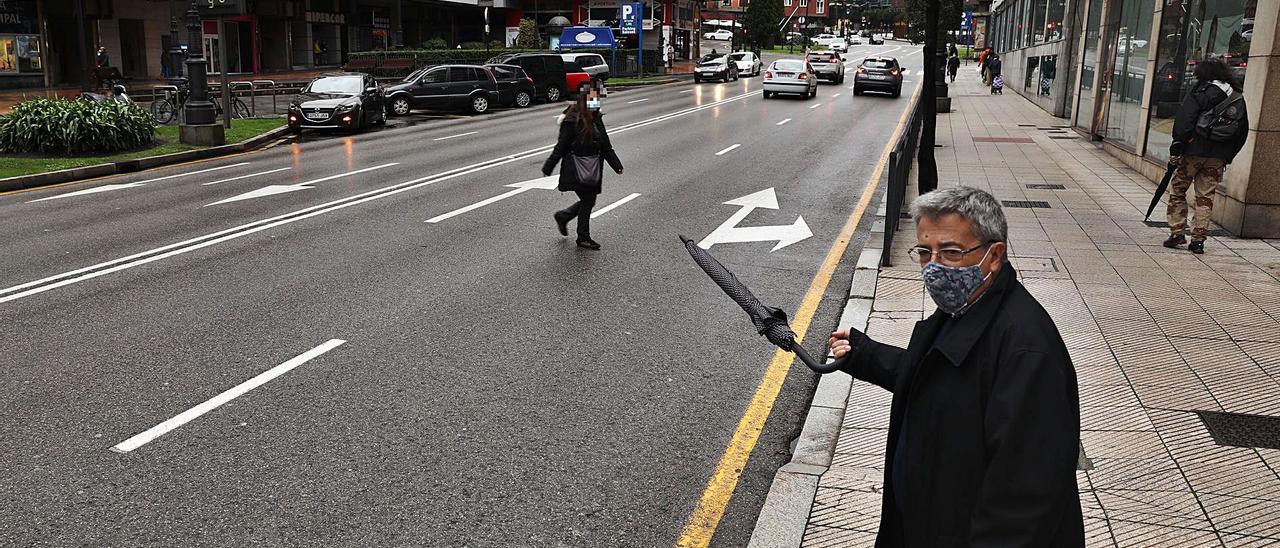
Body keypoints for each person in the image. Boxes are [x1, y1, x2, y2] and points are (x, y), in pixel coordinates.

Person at [827, 186, 1083, 548]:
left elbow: (1023, 504)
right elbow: (942, 380)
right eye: (923, 252)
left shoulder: (1026, 352)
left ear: (994, 256)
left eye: (950, 252)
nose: (933, 267)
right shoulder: (963, 310)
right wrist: (865, 354)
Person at [1164, 58, 1249, 254]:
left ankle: (1177, 232)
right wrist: (1227, 156)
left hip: (1192, 152)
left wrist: (1178, 146)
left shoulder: (1200, 91)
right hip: (1217, 156)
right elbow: (1241, 131)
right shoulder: (1236, 96)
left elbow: (1185, 121)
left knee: (1178, 189)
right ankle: (1198, 239)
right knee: (1205, 197)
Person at [542, 83, 623, 250]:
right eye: (593, 99)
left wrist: (616, 165)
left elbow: (605, 145)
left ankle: (564, 217)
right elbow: (561, 145)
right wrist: (549, 165)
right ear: (584, 100)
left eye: (598, 100)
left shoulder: (596, 118)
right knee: (588, 200)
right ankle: (582, 236)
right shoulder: (572, 120)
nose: (597, 103)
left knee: (588, 200)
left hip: (592, 167)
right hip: (575, 168)